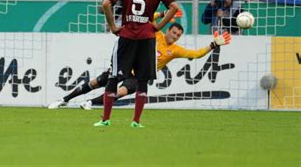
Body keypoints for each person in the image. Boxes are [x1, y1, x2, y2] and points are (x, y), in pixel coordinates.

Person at [48, 22, 232, 110]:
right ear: (168, 30)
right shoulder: (156, 34)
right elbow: (148, 18)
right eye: (173, 32)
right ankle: (64, 99)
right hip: (126, 65)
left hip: (140, 76)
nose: (174, 36)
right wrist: (162, 14)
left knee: (121, 92)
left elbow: (196, 54)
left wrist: (213, 45)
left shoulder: (175, 50)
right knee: (96, 82)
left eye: (177, 35)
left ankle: (89, 103)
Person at [95, 0, 179, 128]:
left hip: (126, 36)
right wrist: (157, 26)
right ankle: (136, 121)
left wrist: (113, 27)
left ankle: (106, 119)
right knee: (142, 80)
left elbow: (106, 4)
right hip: (147, 38)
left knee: (113, 77)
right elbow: (174, 7)